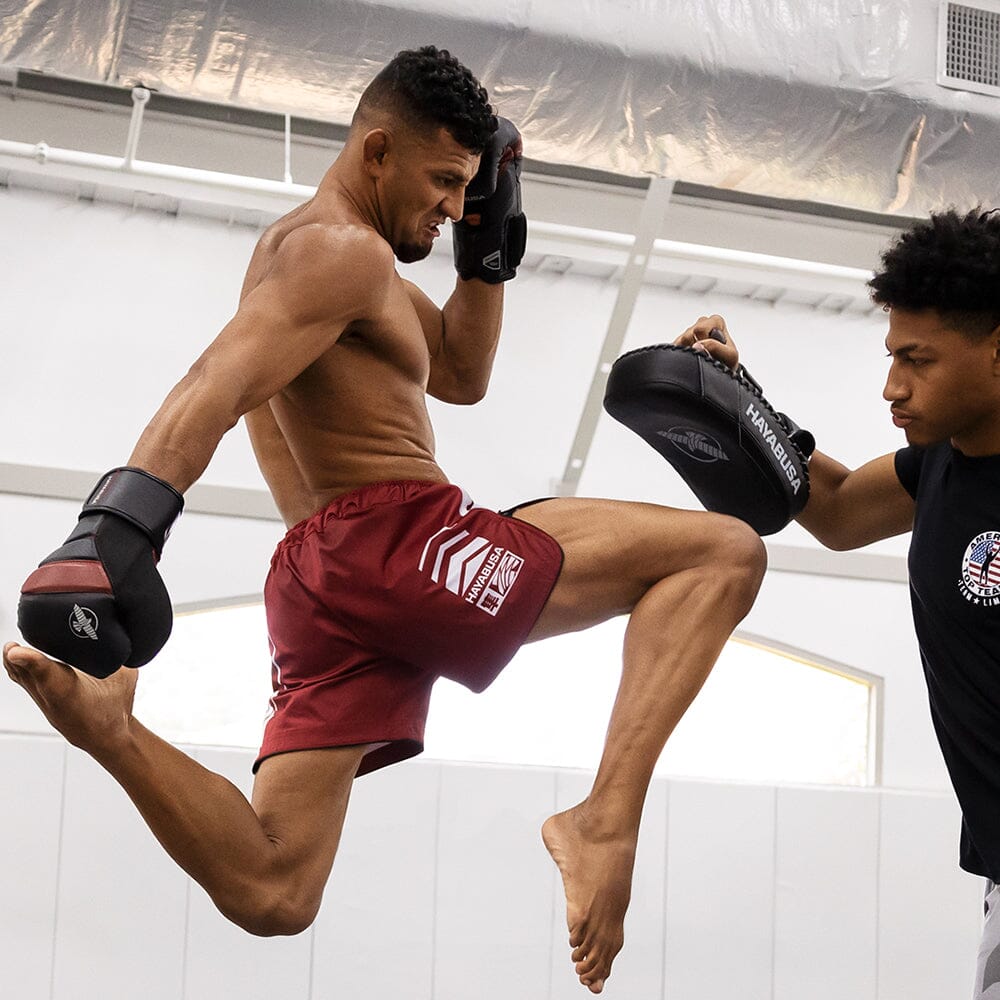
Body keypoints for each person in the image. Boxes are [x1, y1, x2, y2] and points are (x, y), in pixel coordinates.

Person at [2, 46, 766, 993]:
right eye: (442, 181)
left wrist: (489, 249)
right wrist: (116, 530)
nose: (450, 206)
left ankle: (113, 734)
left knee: (276, 886)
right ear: (376, 152)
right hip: (394, 543)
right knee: (722, 554)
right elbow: (215, 384)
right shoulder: (337, 252)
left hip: (322, 580)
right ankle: (605, 820)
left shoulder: (350, 268)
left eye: (465, 189)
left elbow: (463, 373)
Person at [674, 207, 1000, 1000]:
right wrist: (744, 405)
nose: (893, 386)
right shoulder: (940, 464)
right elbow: (842, 511)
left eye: (918, 360)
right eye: (893, 356)